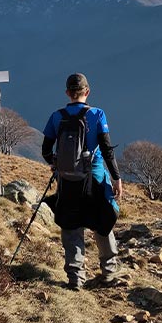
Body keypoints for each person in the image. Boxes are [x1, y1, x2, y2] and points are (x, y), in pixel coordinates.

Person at [42, 73, 124, 290]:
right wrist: (116, 178)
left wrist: (56, 165)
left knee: (71, 227)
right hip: (95, 179)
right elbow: (106, 149)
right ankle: (108, 273)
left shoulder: (56, 117)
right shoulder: (97, 114)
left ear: (67, 93)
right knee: (104, 222)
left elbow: (45, 150)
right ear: (87, 92)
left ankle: (75, 279)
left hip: (68, 181)